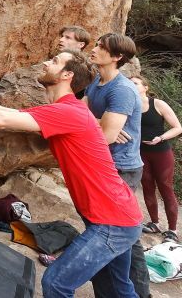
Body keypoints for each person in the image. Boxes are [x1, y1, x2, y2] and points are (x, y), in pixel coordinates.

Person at [0, 50, 143, 298]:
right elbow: (5, 113)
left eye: (55, 61)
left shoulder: (69, 112)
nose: (46, 62)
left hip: (113, 221)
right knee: (117, 290)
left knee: (57, 283)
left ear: (67, 75)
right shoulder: (64, 110)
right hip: (116, 216)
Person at [84, 32, 150, 298]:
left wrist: (104, 126)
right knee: (104, 233)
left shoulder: (122, 90)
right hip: (105, 164)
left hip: (121, 168)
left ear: (117, 57)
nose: (95, 48)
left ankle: (139, 293)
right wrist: (101, 123)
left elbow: (107, 136)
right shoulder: (96, 82)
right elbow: (83, 116)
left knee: (117, 237)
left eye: (101, 47)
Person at [131, 74, 181, 243]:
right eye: (130, 83)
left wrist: (161, 137)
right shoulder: (129, 105)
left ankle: (172, 230)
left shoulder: (158, 104)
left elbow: (177, 127)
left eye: (136, 83)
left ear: (146, 87)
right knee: (147, 187)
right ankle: (154, 223)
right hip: (141, 153)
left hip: (161, 153)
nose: (133, 85)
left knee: (165, 188)